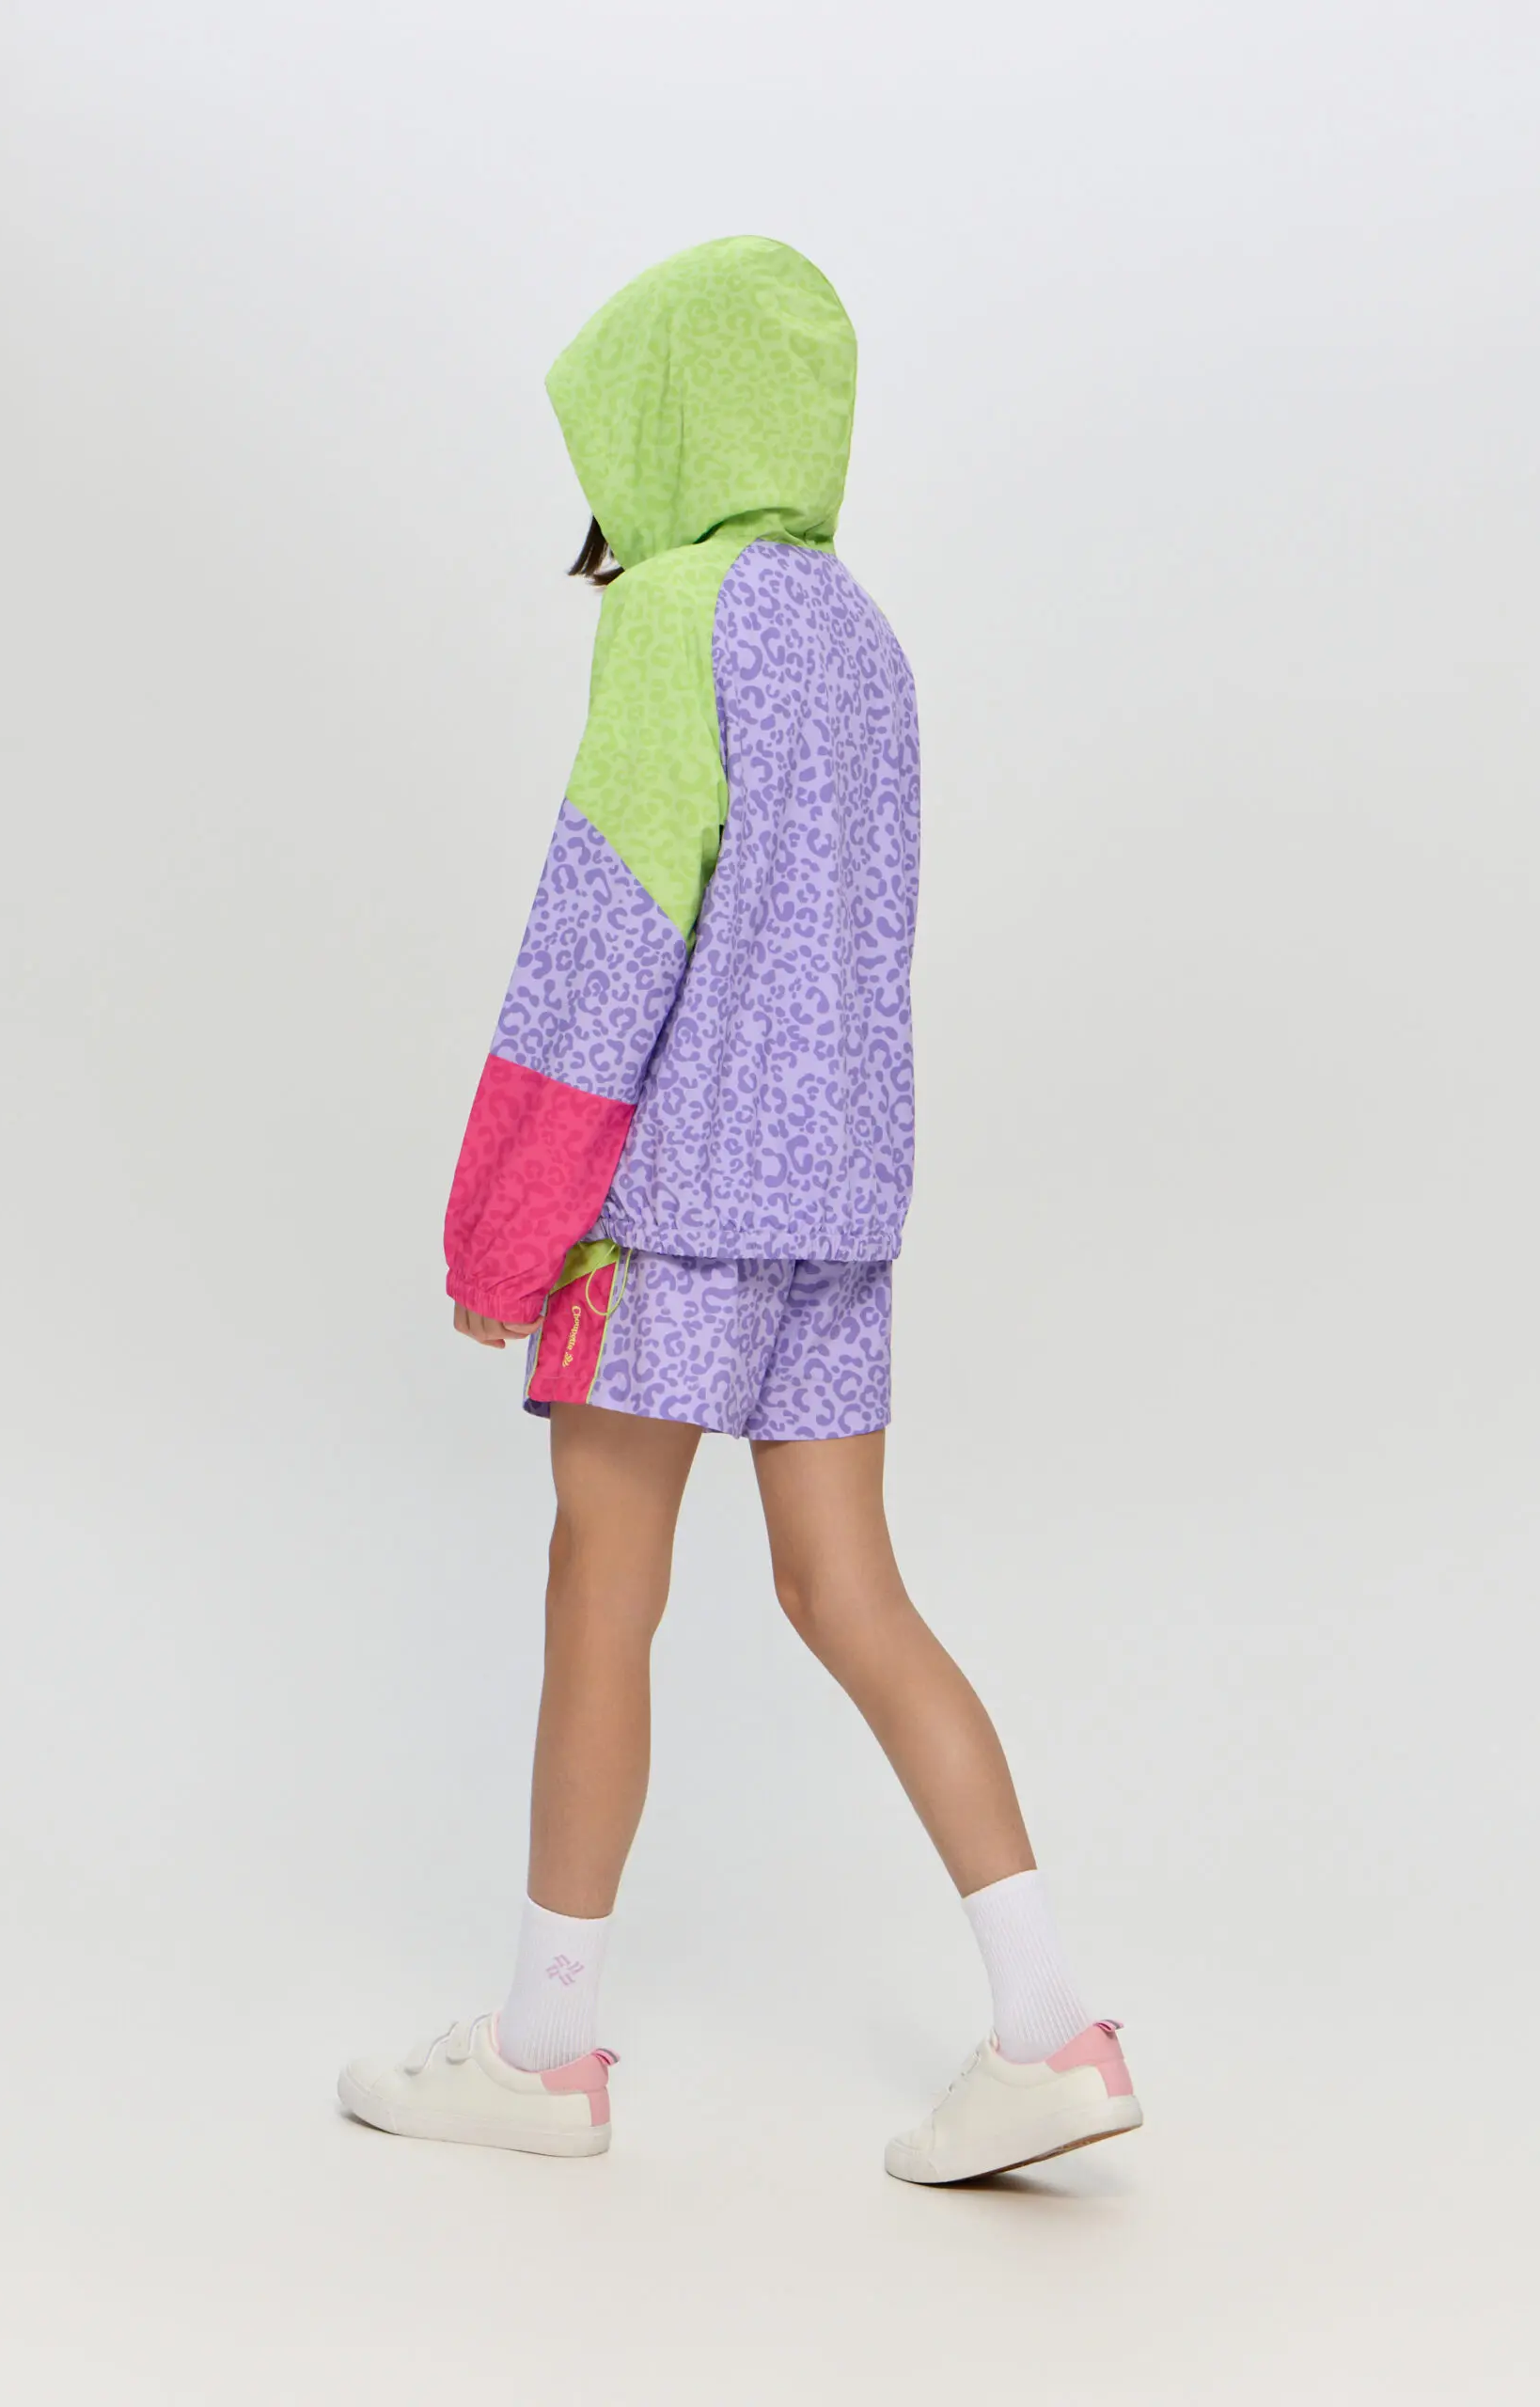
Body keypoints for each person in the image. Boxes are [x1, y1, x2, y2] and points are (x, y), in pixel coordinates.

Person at [338, 237, 1140, 2182]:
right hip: (841, 1202)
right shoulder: (861, 634)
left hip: (679, 1200)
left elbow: (605, 931)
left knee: (602, 1581)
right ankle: (1048, 2025)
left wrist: (502, 1224)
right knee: (849, 1588)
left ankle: (542, 2054)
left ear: (664, 420)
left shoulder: (675, 617)